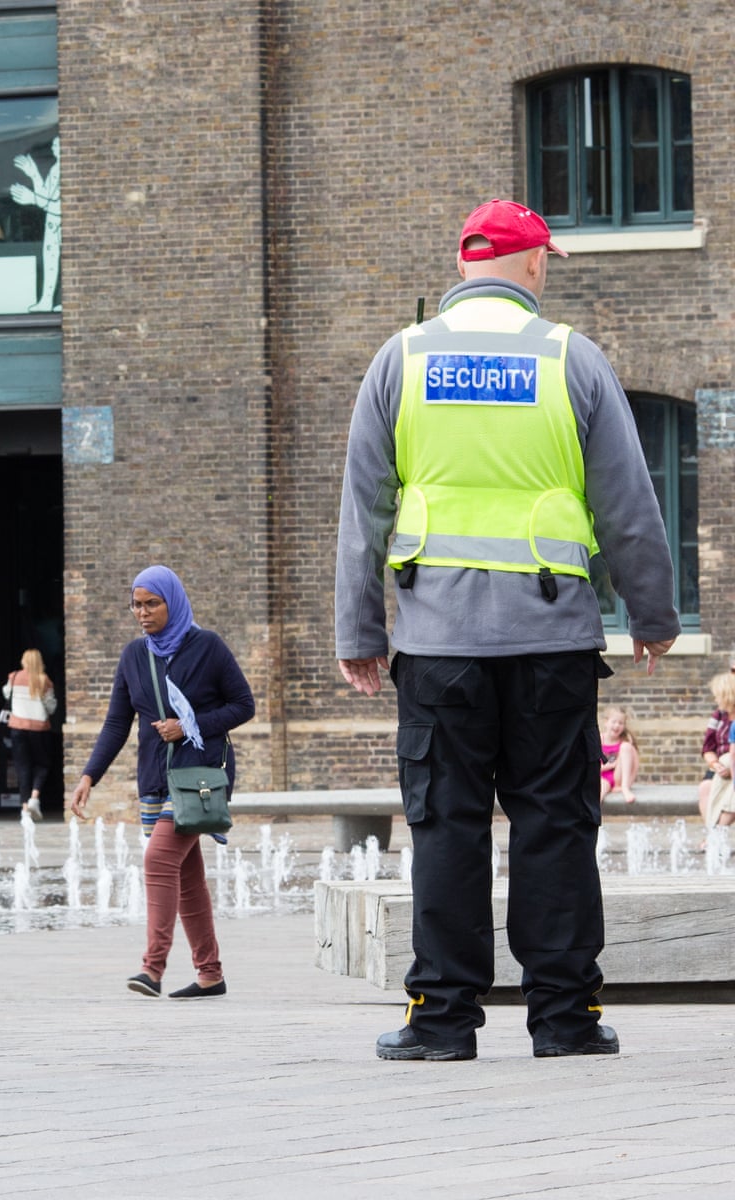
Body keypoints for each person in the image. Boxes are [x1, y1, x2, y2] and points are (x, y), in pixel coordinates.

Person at [335, 198, 680, 1061]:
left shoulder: (400, 361)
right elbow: (629, 505)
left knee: (446, 825)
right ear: (531, 265)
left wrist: (359, 633)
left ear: (463, 267)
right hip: (552, 642)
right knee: (555, 825)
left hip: (437, 648)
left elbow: (363, 510)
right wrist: (653, 614)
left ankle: (442, 1021)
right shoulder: (572, 359)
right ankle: (564, 1018)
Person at [70, 565, 255, 999]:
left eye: (152, 603)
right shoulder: (134, 656)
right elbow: (117, 723)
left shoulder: (207, 646)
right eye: (136, 604)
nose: (143, 612)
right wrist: (88, 776)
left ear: (172, 602)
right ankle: (210, 974)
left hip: (201, 776)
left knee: (158, 860)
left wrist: (191, 725)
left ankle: (152, 968)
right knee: (186, 875)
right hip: (156, 779)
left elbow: (243, 705)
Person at [2, 648, 58, 820]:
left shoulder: (14, 677)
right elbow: (51, 707)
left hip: (17, 727)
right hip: (39, 728)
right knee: (42, 764)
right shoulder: (44, 681)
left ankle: (25, 808)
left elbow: (6, 694)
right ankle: (34, 798)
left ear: (24, 661)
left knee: (22, 767)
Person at [10, 136, 61, 312]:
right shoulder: (55, 169)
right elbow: (45, 196)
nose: (53, 149)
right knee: (50, 262)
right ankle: (46, 301)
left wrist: (32, 198)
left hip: (61, 226)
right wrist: (34, 174)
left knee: (64, 262)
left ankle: (62, 301)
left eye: (57, 145)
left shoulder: (67, 171)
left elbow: (59, 205)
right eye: (53, 145)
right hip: (52, 223)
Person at [698, 670, 735, 828]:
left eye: (717, 695)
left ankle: (718, 835)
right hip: (718, 764)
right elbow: (708, 747)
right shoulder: (718, 716)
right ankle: (712, 834)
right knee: (705, 787)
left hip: (732, 762)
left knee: (731, 793)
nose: (715, 699)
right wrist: (716, 765)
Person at [599, 706, 639, 804]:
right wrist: (612, 765)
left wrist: (628, 784)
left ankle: (625, 789)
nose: (617, 726)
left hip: (619, 779)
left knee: (626, 747)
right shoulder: (599, 739)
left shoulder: (625, 742)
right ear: (606, 722)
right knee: (600, 791)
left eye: (620, 723)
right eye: (614, 722)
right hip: (602, 777)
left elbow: (635, 765)